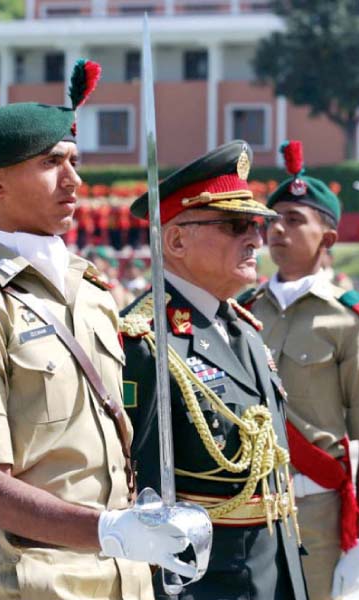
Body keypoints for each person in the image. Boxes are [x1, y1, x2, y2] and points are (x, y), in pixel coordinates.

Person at [0, 59, 202, 600]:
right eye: (52, 163)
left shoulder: (95, 292)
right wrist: (104, 532)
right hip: (47, 582)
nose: (74, 180)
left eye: (74, 161)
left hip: (131, 575)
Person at [121, 139, 308, 600]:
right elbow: (136, 492)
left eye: (257, 225)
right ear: (177, 240)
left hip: (274, 572)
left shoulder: (243, 327)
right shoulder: (146, 342)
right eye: (234, 224)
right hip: (203, 585)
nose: (256, 239)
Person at [240, 141, 359, 599]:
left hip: (316, 511)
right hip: (246, 507)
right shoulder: (241, 312)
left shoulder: (352, 319)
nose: (278, 231)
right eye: (274, 220)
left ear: (327, 239)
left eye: (295, 221)